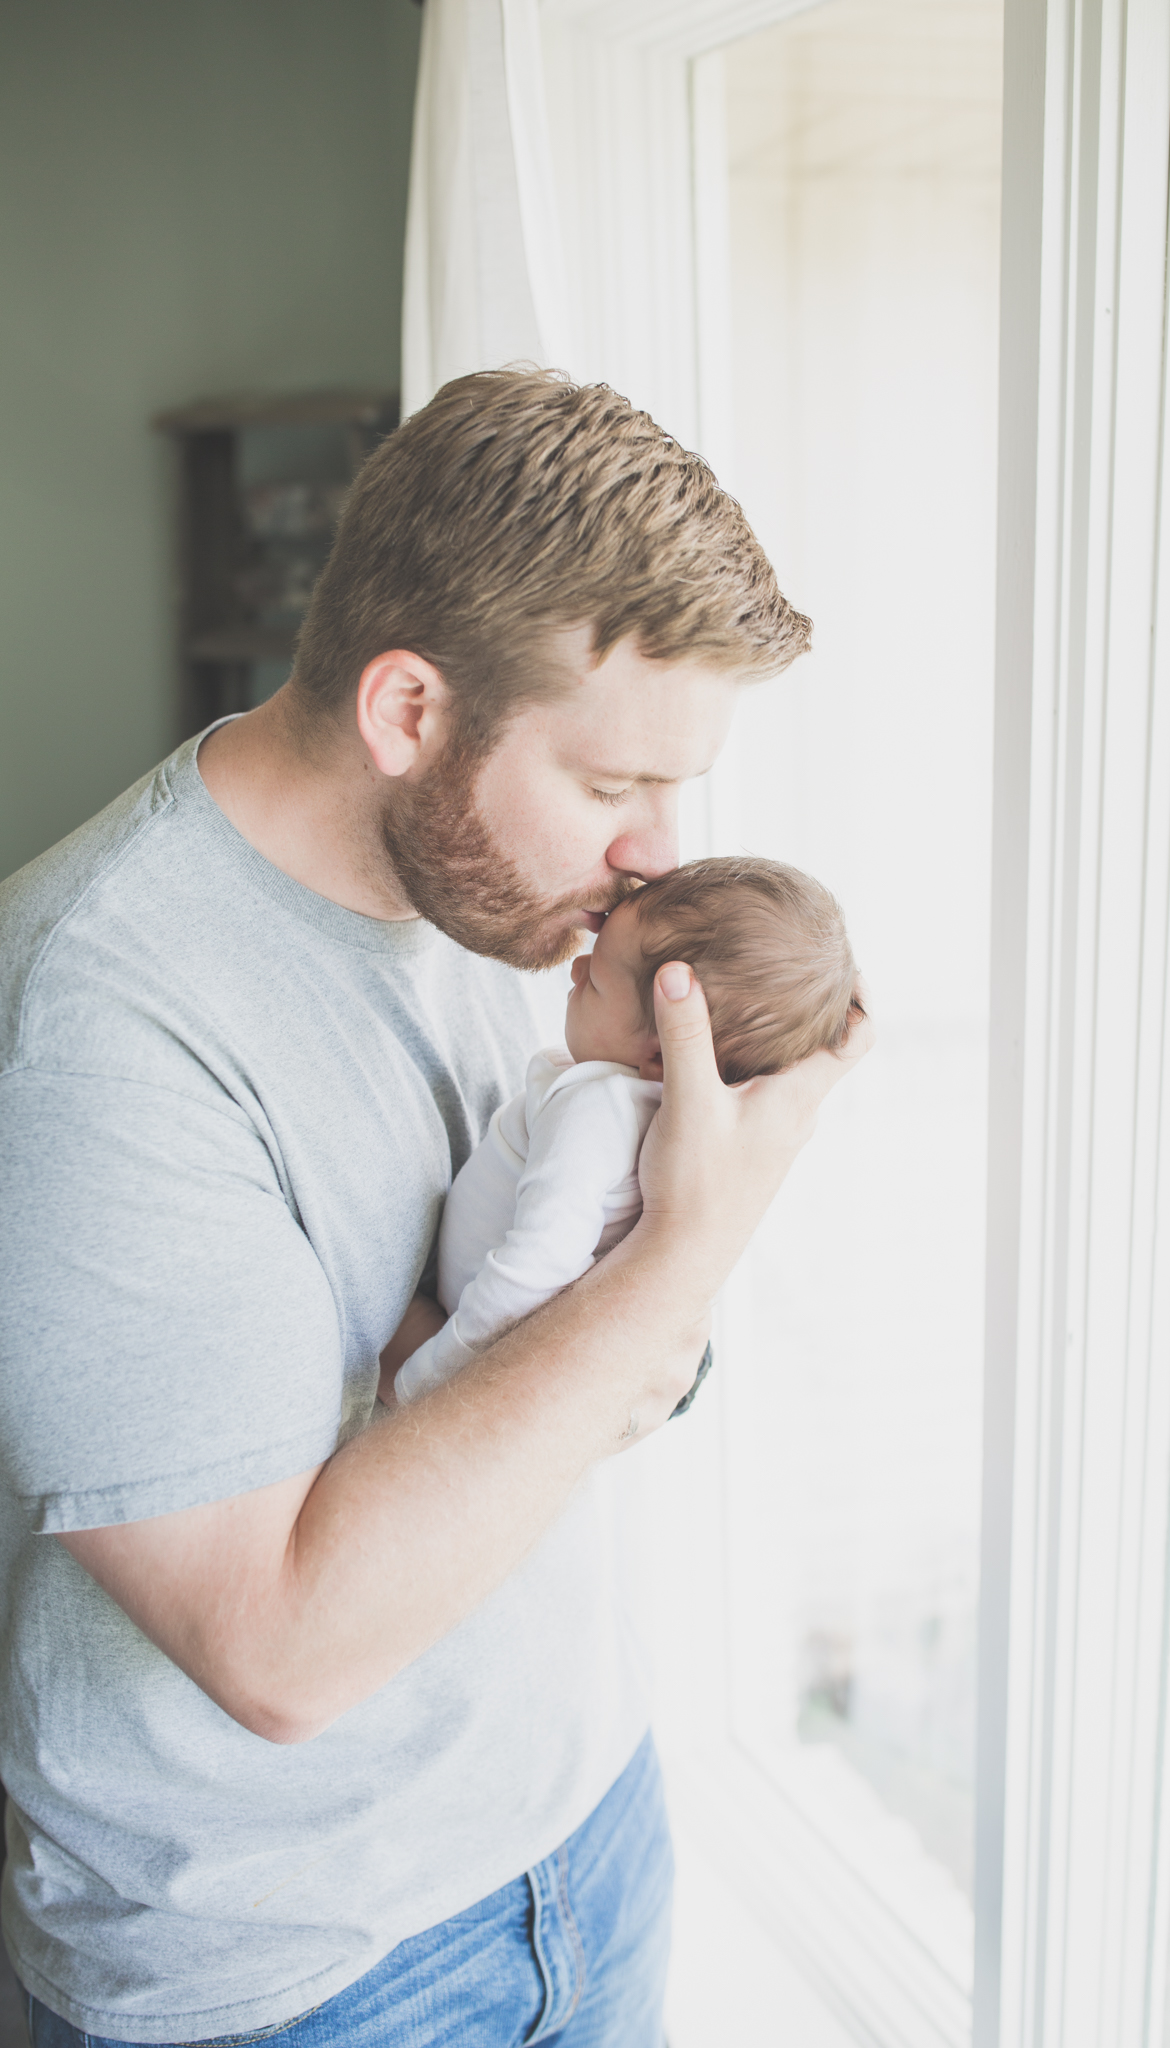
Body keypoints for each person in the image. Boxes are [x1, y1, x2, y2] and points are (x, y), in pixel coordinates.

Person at [0, 369, 870, 2047]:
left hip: (588, 1817)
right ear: (411, 710)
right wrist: (688, 1251)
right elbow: (283, 1647)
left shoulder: (510, 908)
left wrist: (655, 1312)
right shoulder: (89, 1022)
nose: (654, 858)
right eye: (620, 784)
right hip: (297, 1973)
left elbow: (614, 1351)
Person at [393, 856, 859, 1409]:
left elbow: (538, 1265)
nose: (574, 972)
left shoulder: (595, 1111)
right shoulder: (672, 1120)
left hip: (473, 1356)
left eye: (596, 981)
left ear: (661, 1052)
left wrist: (421, 1385)